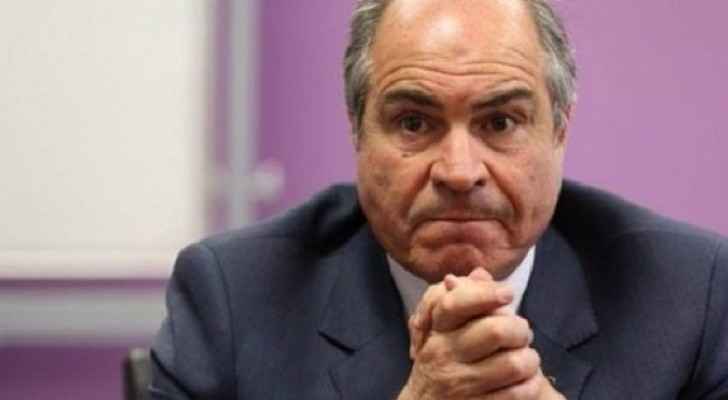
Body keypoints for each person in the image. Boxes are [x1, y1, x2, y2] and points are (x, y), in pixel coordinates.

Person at [149, 0, 728, 398]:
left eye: (500, 122)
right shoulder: (236, 297)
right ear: (357, 130)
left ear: (560, 130)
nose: (459, 171)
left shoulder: (686, 293)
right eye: (413, 122)